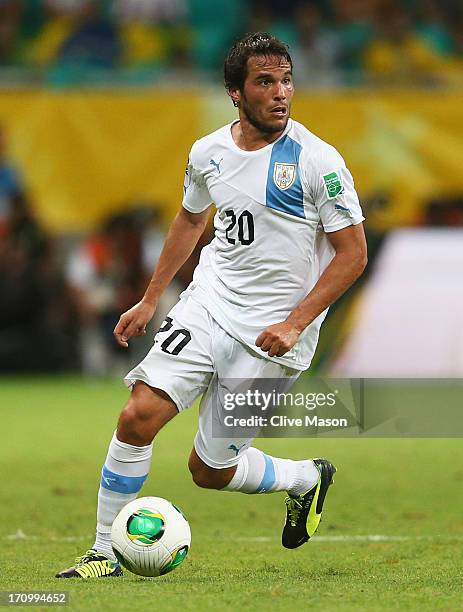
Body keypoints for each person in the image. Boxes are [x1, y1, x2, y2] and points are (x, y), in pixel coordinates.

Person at [56, 31, 367, 579]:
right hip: (210, 304)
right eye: (265, 82)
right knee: (138, 416)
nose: (280, 93)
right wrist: (151, 298)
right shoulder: (208, 152)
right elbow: (191, 219)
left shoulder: (318, 161)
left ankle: (306, 478)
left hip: (274, 336)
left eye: (286, 81)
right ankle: (103, 551)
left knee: (210, 470)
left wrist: (296, 324)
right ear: (235, 92)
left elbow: (353, 255)